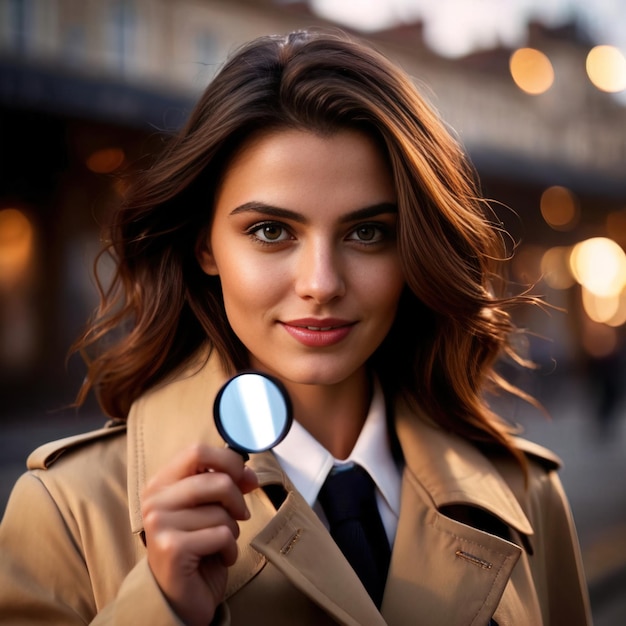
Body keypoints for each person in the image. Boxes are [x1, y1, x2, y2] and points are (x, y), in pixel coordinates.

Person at [0, 29, 592, 625]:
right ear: (206, 245)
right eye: (270, 231)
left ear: (412, 248)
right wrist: (159, 608)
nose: (321, 283)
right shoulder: (68, 513)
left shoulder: (526, 497)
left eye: (367, 233)